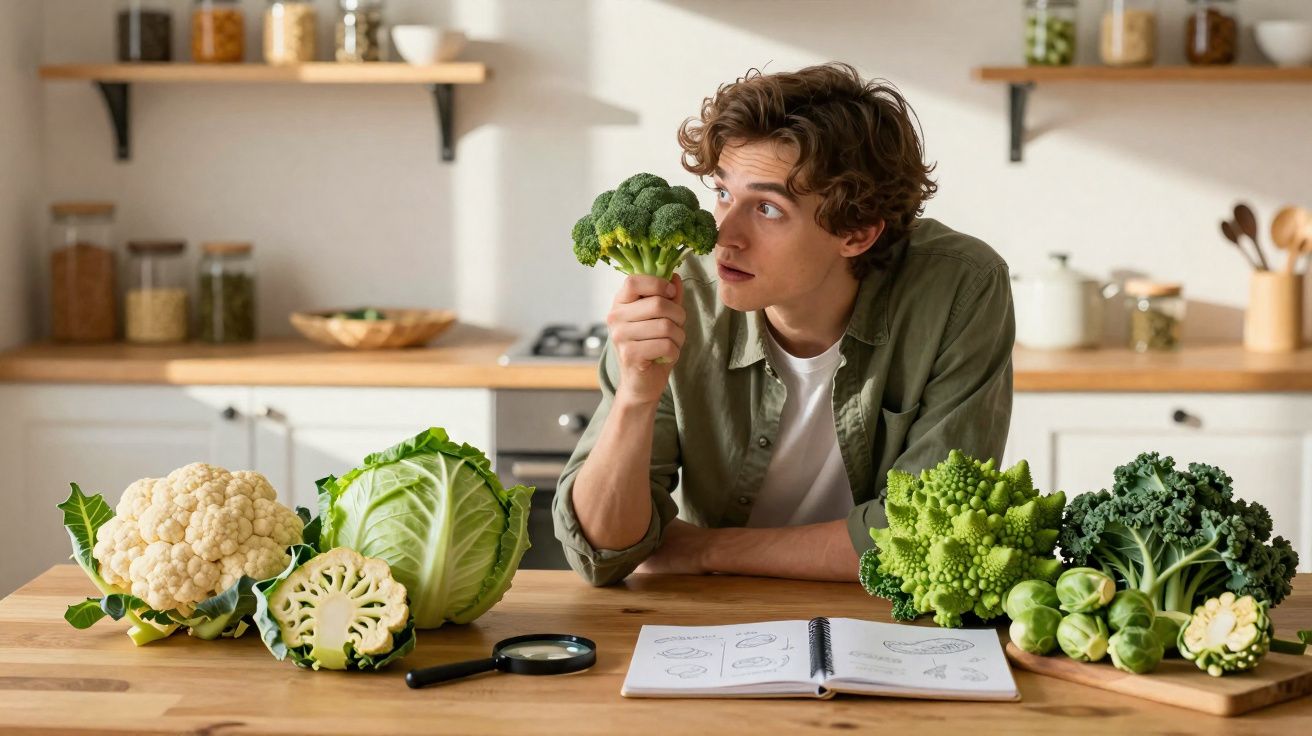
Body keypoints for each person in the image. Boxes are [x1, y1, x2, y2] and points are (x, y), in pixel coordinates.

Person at [552, 62, 1014, 586]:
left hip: (884, 626)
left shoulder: (960, 288)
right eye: (724, 193)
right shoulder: (677, 296)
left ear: (857, 233)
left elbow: (934, 536)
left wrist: (706, 549)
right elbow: (601, 554)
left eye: (767, 209)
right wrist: (636, 395)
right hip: (714, 627)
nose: (724, 235)